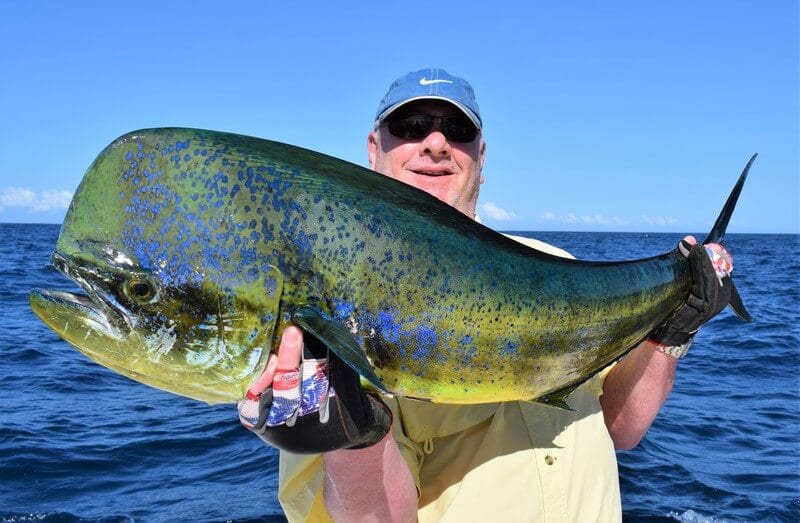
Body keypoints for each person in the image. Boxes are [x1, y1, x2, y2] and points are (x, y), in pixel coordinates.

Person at [237, 68, 734, 521]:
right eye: (410, 126)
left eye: (457, 131)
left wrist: (671, 332)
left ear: (482, 154)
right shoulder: (327, 312)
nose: (435, 143)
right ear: (373, 148)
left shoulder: (556, 268)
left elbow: (622, 429)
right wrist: (351, 438)